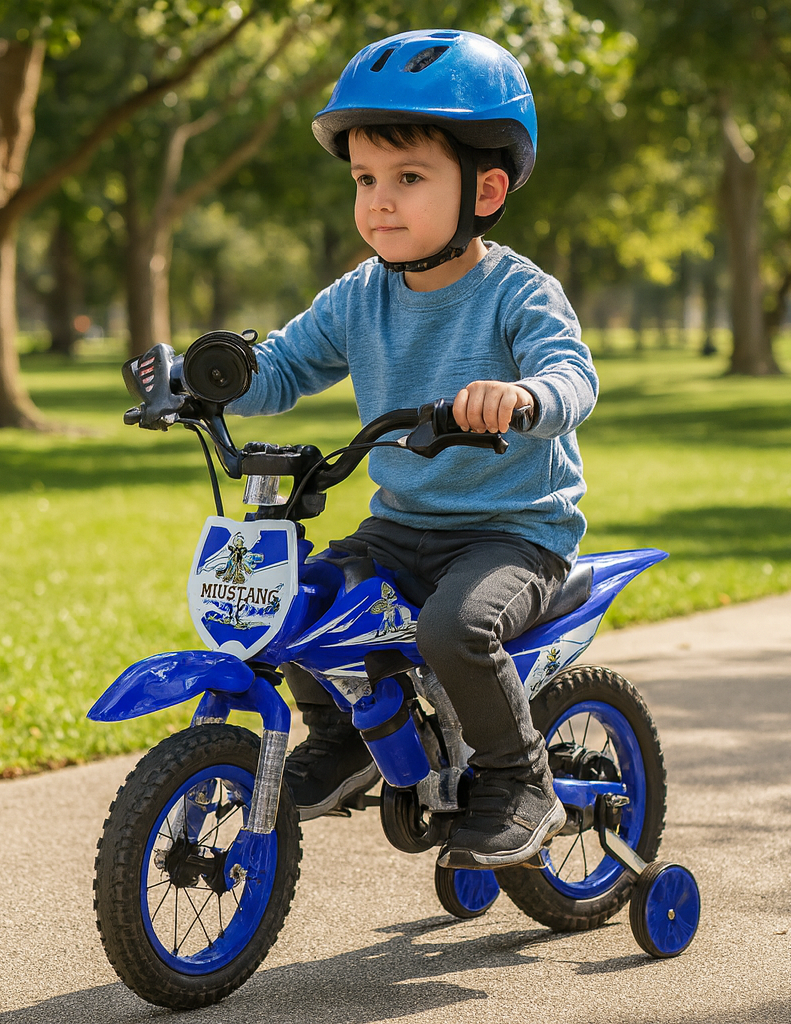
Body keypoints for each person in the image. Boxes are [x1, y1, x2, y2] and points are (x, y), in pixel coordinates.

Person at [228, 28, 599, 869]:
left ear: (486, 187)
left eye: (408, 178)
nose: (378, 202)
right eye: (364, 179)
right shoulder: (361, 294)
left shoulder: (518, 291)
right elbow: (284, 367)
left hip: (511, 533)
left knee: (455, 629)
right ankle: (344, 737)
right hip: (402, 526)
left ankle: (519, 779)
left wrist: (525, 398)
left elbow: (572, 376)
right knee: (294, 601)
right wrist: (210, 376)